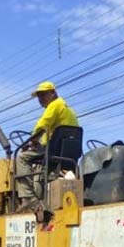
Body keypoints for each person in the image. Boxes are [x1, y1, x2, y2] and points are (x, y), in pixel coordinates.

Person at [15, 81, 79, 211]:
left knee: (21, 158)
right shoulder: (68, 109)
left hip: (53, 150)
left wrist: (31, 142)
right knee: (40, 167)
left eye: (43, 95)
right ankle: (43, 200)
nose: (40, 99)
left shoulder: (54, 105)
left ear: (53, 93)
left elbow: (42, 125)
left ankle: (28, 198)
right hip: (67, 152)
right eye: (39, 96)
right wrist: (37, 143)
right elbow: (53, 133)